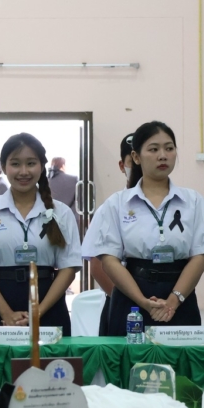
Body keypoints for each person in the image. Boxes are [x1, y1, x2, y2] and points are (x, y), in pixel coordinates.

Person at [83, 122, 204, 336]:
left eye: (169, 148)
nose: (162, 156)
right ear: (136, 157)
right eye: (153, 149)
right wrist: (142, 301)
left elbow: (200, 256)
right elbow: (109, 260)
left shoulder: (194, 201)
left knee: (181, 356)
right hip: (131, 296)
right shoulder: (117, 204)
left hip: (180, 295)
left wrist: (174, 300)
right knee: (129, 357)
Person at [0, 133, 81, 333]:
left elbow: (68, 267)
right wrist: (6, 313)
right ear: (4, 167)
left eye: (31, 163)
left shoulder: (61, 212)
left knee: (50, 355)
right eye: (15, 164)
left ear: (42, 166)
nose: (24, 171)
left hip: (49, 305)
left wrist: (38, 311)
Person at [88, 133, 135, 332]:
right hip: (120, 302)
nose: (140, 166)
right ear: (122, 166)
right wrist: (124, 299)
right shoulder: (111, 207)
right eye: (133, 161)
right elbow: (97, 266)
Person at [48, 157, 81, 230]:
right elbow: (79, 202)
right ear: (63, 166)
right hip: (70, 221)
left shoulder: (46, 182)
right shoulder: (73, 180)